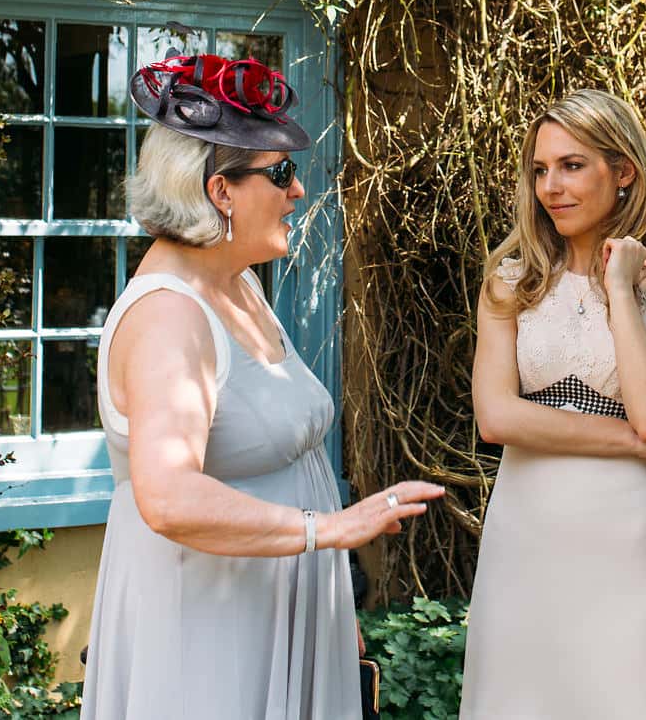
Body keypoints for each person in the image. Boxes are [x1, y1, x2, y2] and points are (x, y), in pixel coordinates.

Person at [80, 51, 443, 720]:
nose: (297, 190)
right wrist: (328, 528)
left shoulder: (238, 283)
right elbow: (167, 495)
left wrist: (328, 600)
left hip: (285, 609)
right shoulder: (168, 316)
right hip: (210, 630)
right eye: (280, 173)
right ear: (221, 189)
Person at [460, 90, 646, 720]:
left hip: (627, 534)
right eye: (541, 169)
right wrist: (636, 443)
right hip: (527, 529)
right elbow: (496, 417)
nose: (551, 186)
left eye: (572, 165)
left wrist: (621, 291)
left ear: (623, 171)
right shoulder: (510, 282)